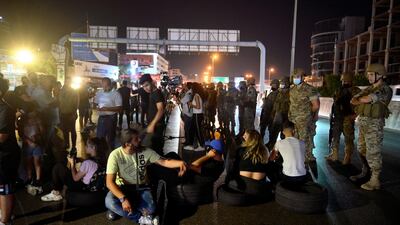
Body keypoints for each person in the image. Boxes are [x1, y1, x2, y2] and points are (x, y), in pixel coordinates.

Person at [105, 129, 187, 223]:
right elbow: (109, 182)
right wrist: (123, 199)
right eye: (136, 139)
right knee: (109, 201)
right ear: (128, 144)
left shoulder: (145, 150)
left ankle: (121, 210)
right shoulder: (115, 155)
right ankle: (141, 218)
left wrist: (180, 163)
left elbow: (163, 161)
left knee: (151, 209)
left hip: (142, 188)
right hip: (123, 188)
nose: (140, 140)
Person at [350, 64, 392, 191]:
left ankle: (375, 180)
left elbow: (367, 98)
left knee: (373, 152)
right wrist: (362, 99)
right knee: (362, 149)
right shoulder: (369, 88)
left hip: (374, 125)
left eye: (371, 74)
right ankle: (366, 172)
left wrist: (363, 99)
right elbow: (353, 100)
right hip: (363, 123)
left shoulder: (385, 89)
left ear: (380, 75)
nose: (369, 77)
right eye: (368, 74)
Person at [41, 137, 107, 201]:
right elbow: (92, 166)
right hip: (92, 186)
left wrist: (72, 164)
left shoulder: (87, 163)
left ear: (93, 148)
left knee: (58, 167)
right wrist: (81, 160)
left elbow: (75, 178)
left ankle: (55, 192)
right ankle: (49, 188)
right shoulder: (101, 160)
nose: (85, 147)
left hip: (82, 187)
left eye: (87, 146)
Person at [325, 73, 361, 164]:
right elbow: (336, 103)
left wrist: (355, 115)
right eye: (343, 80)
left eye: (345, 80)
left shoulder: (355, 90)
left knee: (348, 138)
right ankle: (334, 154)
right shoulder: (339, 90)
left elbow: (361, 104)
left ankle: (347, 157)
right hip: (337, 117)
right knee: (335, 136)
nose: (344, 82)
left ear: (350, 80)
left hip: (347, 118)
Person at [0, 77, 20, 225]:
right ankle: (5, 214)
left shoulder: (5, 109)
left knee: (5, 189)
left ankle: (5, 221)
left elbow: (2, 136)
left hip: (5, 156)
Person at [288, 68, 320, 162]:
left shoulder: (309, 89)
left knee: (304, 139)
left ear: (303, 77)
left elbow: (316, 105)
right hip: (293, 119)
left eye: (297, 77)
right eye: (294, 77)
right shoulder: (292, 89)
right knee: (296, 139)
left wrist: (307, 114)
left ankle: (306, 158)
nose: (295, 79)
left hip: (304, 120)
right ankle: (299, 158)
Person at [229, 129, 270, 195]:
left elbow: (234, 168)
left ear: (251, 137)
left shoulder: (240, 150)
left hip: (243, 186)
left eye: (245, 135)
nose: (243, 137)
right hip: (259, 186)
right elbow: (267, 166)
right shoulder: (265, 150)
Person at [139, 74, 166, 155]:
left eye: (147, 85)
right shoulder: (152, 93)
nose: (145, 88)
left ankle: (161, 166)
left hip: (157, 126)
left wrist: (152, 124)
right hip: (154, 125)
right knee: (153, 148)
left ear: (152, 82)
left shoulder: (156, 93)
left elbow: (160, 110)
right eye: (143, 86)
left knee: (157, 150)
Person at [94, 77, 122, 150]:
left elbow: (119, 108)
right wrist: (96, 107)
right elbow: (96, 103)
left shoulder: (116, 94)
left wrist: (107, 108)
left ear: (110, 85)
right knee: (100, 138)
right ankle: (101, 156)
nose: (105, 88)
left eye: (106, 86)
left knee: (110, 138)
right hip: (101, 118)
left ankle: (111, 155)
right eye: (103, 86)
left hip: (111, 118)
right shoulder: (99, 93)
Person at [267, 77, 290, 151]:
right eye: (281, 83)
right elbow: (275, 103)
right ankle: (271, 145)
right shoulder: (279, 93)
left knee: (284, 133)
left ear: (287, 84)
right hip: (277, 114)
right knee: (274, 131)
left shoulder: (291, 93)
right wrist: (273, 113)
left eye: (283, 83)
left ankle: (283, 149)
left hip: (286, 115)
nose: (281, 85)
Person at [59, 77, 78, 151]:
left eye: (69, 82)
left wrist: (74, 113)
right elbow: (59, 103)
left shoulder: (74, 91)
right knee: (65, 130)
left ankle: (73, 146)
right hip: (63, 113)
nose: (67, 83)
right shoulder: (61, 91)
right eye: (66, 81)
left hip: (71, 113)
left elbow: (76, 103)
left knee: (72, 130)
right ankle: (67, 143)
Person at [189, 83, 206, 151]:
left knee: (198, 130)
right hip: (197, 114)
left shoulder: (196, 95)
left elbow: (198, 106)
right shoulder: (199, 95)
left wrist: (191, 104)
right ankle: (197, 144)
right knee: (194, 129)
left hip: (197, 114)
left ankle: (202, 146)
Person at [179, 83, 194, 149]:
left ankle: (188, 142)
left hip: (188, 113)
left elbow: (182, 101)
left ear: (188, 87)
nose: (184, 87)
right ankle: (188, 141)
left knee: (187, 128)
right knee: (188, 128)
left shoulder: (188, 94)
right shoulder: (189, 93)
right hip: (188, 113)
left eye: (185, 86)